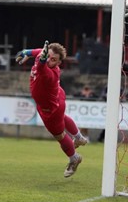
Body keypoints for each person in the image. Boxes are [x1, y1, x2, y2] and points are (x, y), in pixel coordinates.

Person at [15, 41, 87, 178]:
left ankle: (74, 158)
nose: (49, 60)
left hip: (50, 110)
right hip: (58, 99)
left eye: (53, 60)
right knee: (63, 118)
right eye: (48, 56)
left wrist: (41, 59)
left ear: (59, 63)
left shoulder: (50, 74)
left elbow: (42, 68)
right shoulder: (43, 55)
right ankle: (79, 137)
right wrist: (25, 52)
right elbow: (36, 51)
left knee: (59, 136)